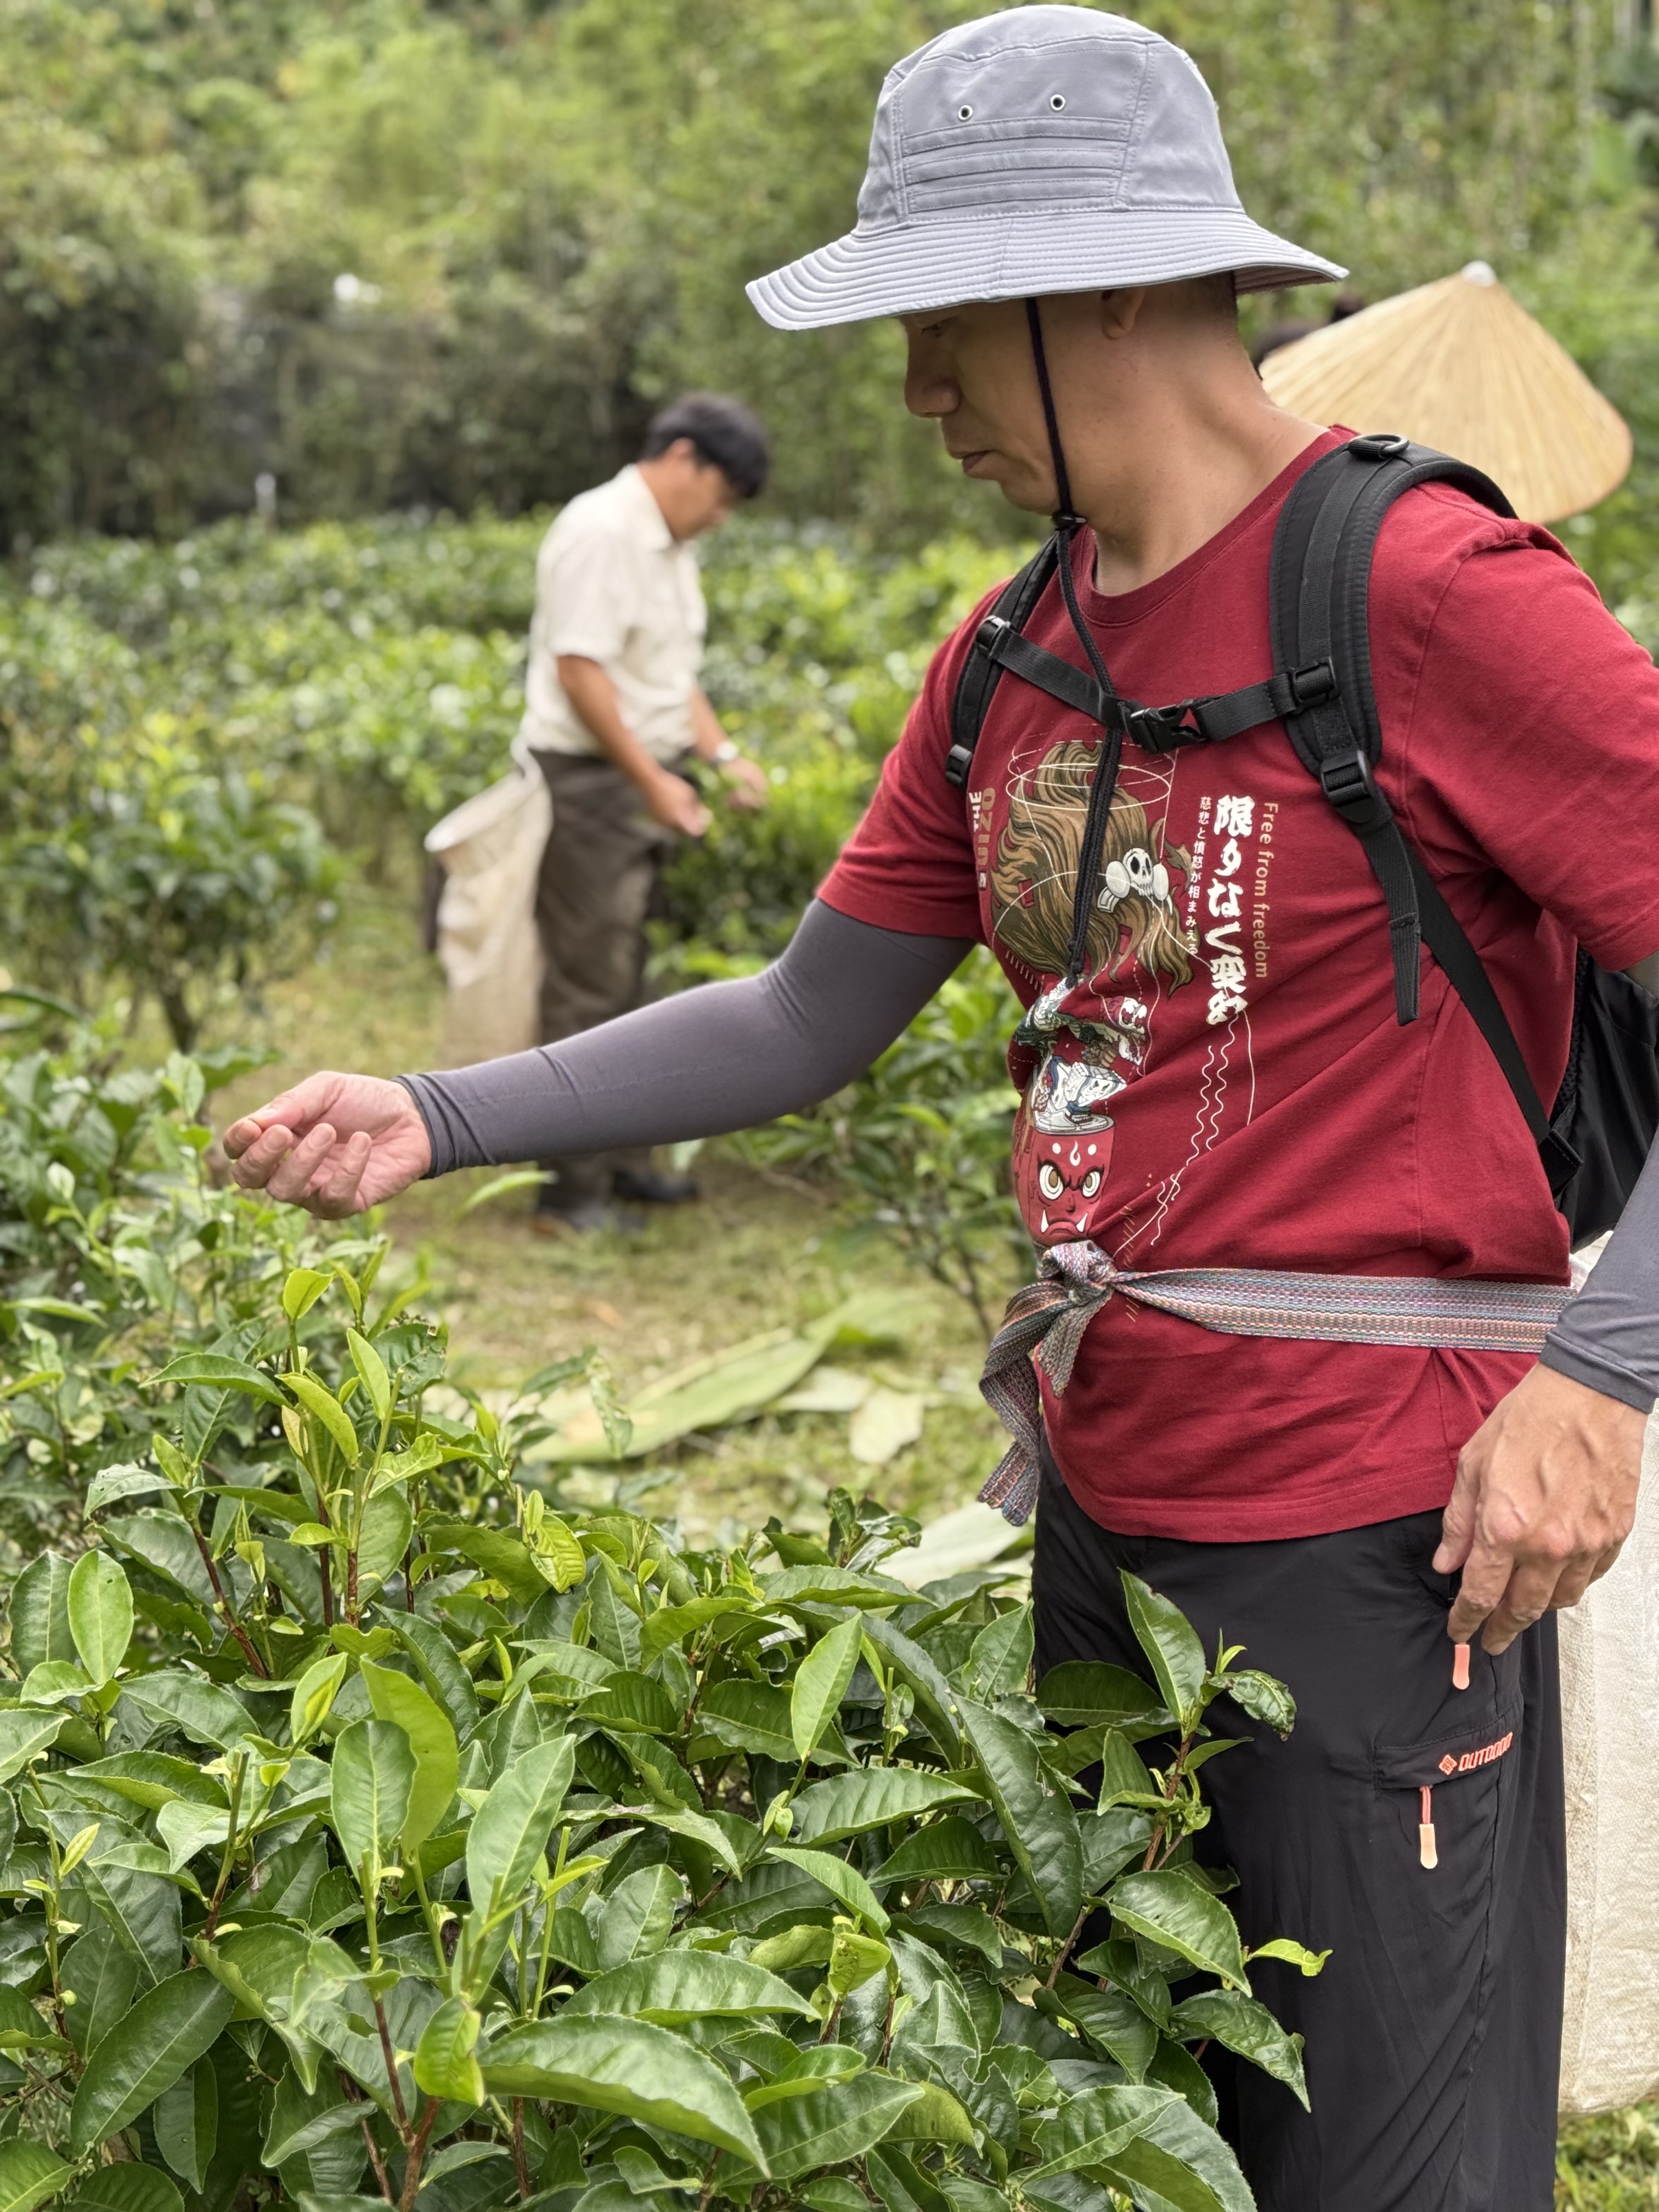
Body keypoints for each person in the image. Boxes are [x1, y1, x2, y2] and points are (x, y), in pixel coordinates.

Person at [224, 11, 1659, 2207]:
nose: (914, 394)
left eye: (944, 330)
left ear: (1107, 292)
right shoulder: (1011, 658)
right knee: (1150, 2135)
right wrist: (434, 1110)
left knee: (1385, 2169)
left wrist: (1602, 1375)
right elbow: (808, 1011)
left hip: (1377, 1546)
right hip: (1106, 1516)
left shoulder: (1419, 590)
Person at [517, 392, 771, 1232]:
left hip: (645, 775)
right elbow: (579, 671)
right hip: (594, 784)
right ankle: (569, 1190)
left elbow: (668, 676)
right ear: (684, 458)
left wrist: (719, 757)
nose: (721, 517)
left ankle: (627, 1163)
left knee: (638, 982)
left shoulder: (671, 546)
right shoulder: (601, 531)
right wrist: (651, 782)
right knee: (589, 981)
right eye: (723, 496)